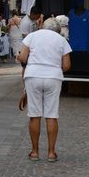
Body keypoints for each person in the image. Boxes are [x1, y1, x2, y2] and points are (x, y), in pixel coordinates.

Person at [16, 18, 71, 162]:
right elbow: (66, 66)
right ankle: (51, 152)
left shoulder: (32, 36)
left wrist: (19, 56)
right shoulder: (61, 40)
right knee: (52, 115)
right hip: (53, 77)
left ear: (43, 26)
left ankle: (35, 152)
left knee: (34, 114)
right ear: (57, 29)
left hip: (33, 75)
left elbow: (22, 57)